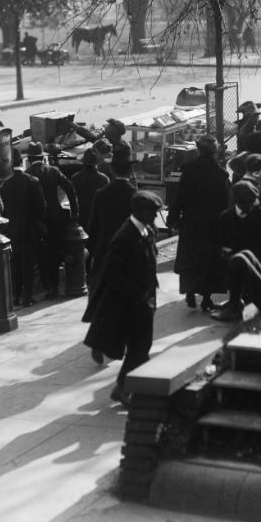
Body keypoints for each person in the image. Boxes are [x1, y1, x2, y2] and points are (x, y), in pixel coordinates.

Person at [82, 191, 163, 408]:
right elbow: (112, 273)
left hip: (144, 299)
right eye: (153, 213)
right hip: (131, 303)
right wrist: (138, 295)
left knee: (141, 346)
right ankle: (122, 388)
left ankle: (133, 385)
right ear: (140, 212)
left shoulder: (147, 229)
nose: (156, 217)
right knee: (140, 346)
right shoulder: (124, 237)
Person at [167, 135, 229, 312]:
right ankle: (207, 298)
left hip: (191, 221)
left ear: (198, 149)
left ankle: (189, 293)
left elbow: (180, 197)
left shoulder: (189, 170)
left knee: (191, 257)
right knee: (209, 260)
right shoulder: (221, 173)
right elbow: (225, 201)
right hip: (212, 223)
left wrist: (173, 219)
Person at [211, 181, 261, 322]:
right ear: (237, 202)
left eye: (252, 203)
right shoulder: (226, 217)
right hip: (235, 267)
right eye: (247, 203)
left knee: (256, 305)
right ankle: (234, 304)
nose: (250, 207)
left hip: (257, 265)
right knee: (236, 261)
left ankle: (238, 306)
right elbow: (220, 245)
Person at [25, 141, 80, 299]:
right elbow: (70, 188)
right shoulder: (53, 171)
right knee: (55, 251)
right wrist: (74, 213)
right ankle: (54, 286)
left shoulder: (28, 174)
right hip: (55, 216)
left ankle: (48, 286)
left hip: (38, 219)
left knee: (42, 254)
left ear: (28, 158)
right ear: (43, 158)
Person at [85, 145, 138, 299]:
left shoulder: (100, 195)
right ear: (129, 171)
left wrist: (95, 251)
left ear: (112, 171)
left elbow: (92, 227)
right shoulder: (135, 195)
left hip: (105, 251)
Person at [0, 149, 47, 306]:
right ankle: (27, 297)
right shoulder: (32, 181)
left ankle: (15, 295)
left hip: (12, 229)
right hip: (30, 228)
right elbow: (41, 208)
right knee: (28, 263)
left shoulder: (4, 184)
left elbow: (2, 209)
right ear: (22, 161)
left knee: (15, 263)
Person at [70, 149, 110, 261]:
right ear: (97, 163)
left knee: (82, 247)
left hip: (81, 216)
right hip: (98, 217)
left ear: (83, 162)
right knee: (96, 247)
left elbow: (72, 198)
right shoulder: (103, 179)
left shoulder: (75, 177)